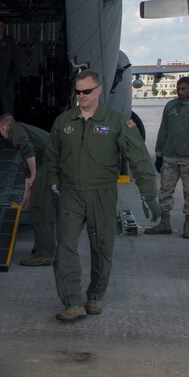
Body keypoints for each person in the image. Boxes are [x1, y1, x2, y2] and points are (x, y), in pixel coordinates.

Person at [45, 70, 159, 321]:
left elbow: (138, 158)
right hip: (71, 193)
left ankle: (95, 296)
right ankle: (72, 302)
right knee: (65, 247)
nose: (81, 96)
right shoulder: (64, 122)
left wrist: (149, 194)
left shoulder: (117, 122)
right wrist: (52, 182)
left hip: (102, 194)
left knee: (102, 247)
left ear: (98, 90)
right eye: (77, 91)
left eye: (86, 91)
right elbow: (52, 156)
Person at [145, 77, 189, 239]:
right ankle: (165, 223)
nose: (180, 92)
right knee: (165, 191)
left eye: (184, 89)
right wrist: (159, 153)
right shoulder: (170, 106)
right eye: (178, 89)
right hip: (169, 158)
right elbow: (163, 131)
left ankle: (188, 225)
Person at [0, 113, 55, 266]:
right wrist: (26, 199)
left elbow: (28, 150)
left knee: (40, 205)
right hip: (50, 160)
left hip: (52, 160)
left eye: (0, 129)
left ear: (3, 126)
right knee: (36, 202)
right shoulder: (21, 129)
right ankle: (42, 248)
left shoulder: (15, 130)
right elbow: (28, 173)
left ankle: (45, 253)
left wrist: (35, 174)